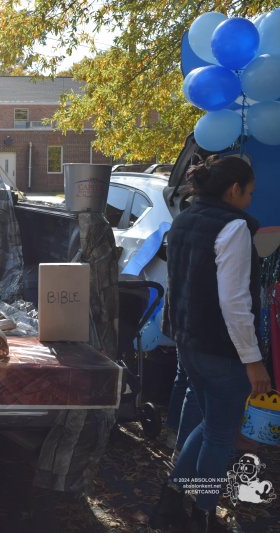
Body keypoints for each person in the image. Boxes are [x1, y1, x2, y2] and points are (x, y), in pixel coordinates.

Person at [150, 155, 272, 532]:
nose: (251, 200)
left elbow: (180, 285)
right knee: (219, 434)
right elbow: (234, 302)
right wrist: (253, 360)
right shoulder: (233, 227)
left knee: (208, 426)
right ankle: (202, 512)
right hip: (222, 349)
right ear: (233, 190)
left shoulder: (185, 218)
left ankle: (172, 500)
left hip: (190, 342)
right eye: (249, 192)